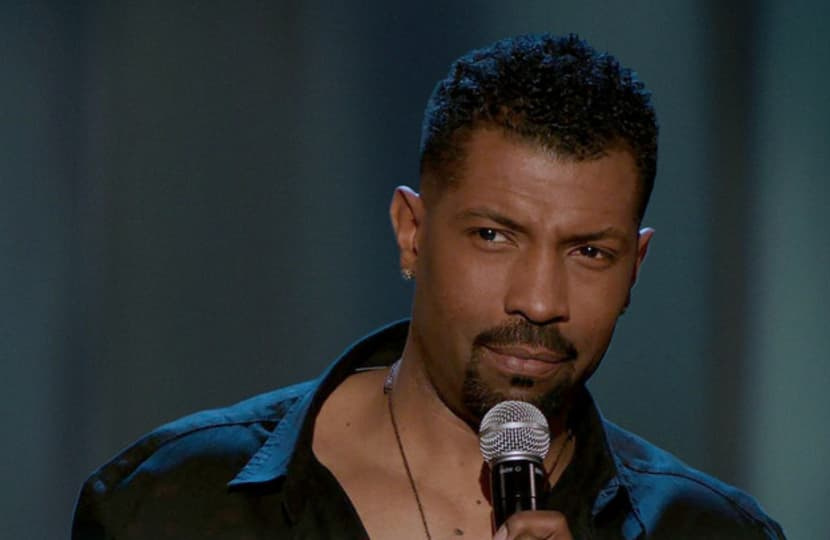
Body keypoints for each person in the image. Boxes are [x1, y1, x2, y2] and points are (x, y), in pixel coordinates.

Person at [72, 33, 785, 539]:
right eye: (494, 236)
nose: (540, 301)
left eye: (590, 252)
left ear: (635, 268)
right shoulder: (172, 505)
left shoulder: (709, 531)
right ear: (411, 232)